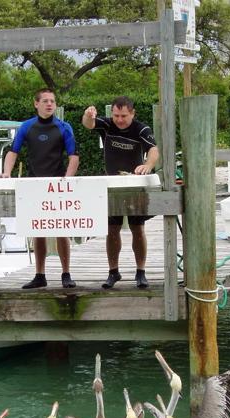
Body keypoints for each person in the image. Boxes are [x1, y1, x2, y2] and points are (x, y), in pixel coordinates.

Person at [0, 88, 79, 289]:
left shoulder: (63, 127)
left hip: (57, 185)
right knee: (38, 230)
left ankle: (66, 274)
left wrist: (67, 180)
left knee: (62, 230)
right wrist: (6, 172)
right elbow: (13, 151)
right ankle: (39, 275)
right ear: (36, 104)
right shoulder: (27, 127)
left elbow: (74, 156)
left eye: (52, 101)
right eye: (45, 101)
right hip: (34, 184)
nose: (49, 104)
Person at [82, 96, 159, 289]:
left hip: (134, 186)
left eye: (124, 116)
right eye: (116, 115)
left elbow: (154, 150)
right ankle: (113, 272)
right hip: (112, 186)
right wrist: (88, 115)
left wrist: (148, 165)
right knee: (112, 229)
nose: (119, 120)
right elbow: (88, 125)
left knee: (137, 228)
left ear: (132, 113)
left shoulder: (141, 129)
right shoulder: (107, 125)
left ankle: (140, 272)